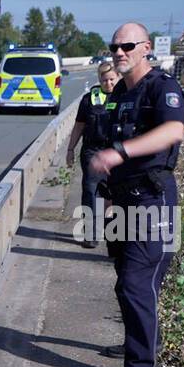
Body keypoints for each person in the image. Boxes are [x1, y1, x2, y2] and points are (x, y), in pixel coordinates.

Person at [89, 22, 184, 367]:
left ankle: (141, 365)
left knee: (137, 282)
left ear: (145, 47)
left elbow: (173, 132)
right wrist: (110, 199)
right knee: (126, 283)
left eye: (127, 45)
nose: (119, 52)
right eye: (114, 46)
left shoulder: (163, 88)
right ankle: (142, 341)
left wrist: (121, 152)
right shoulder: (117, 97)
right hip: (122, 200)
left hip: (152, 199)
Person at [65, 61, 120, 248]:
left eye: (112, 79)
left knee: (114, 193)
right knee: (91, 192)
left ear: (118, 77)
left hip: (117, 152)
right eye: (105, 80)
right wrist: (70, 149)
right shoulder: (89, 99)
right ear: (99, 79)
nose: (109, 84)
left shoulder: (125, 98)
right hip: (92, 151)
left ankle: (111, 228)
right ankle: (91, 234)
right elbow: (79, 125)